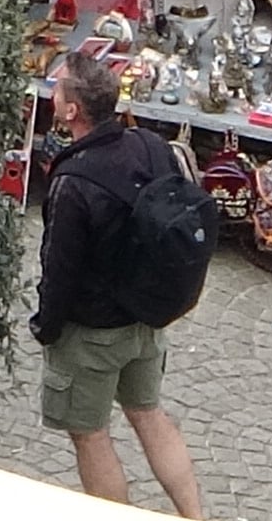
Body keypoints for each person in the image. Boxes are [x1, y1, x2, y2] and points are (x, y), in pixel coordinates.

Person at [31, 51, 209, 516]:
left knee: (90, 434)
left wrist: (45, 328)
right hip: (147, 318)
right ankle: (196, 516)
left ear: (72, 111)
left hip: (93, 333)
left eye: (59, 85)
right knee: (149, 414)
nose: (52, 90)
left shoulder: (72, 182)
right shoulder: (149, 144)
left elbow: (60, 269)